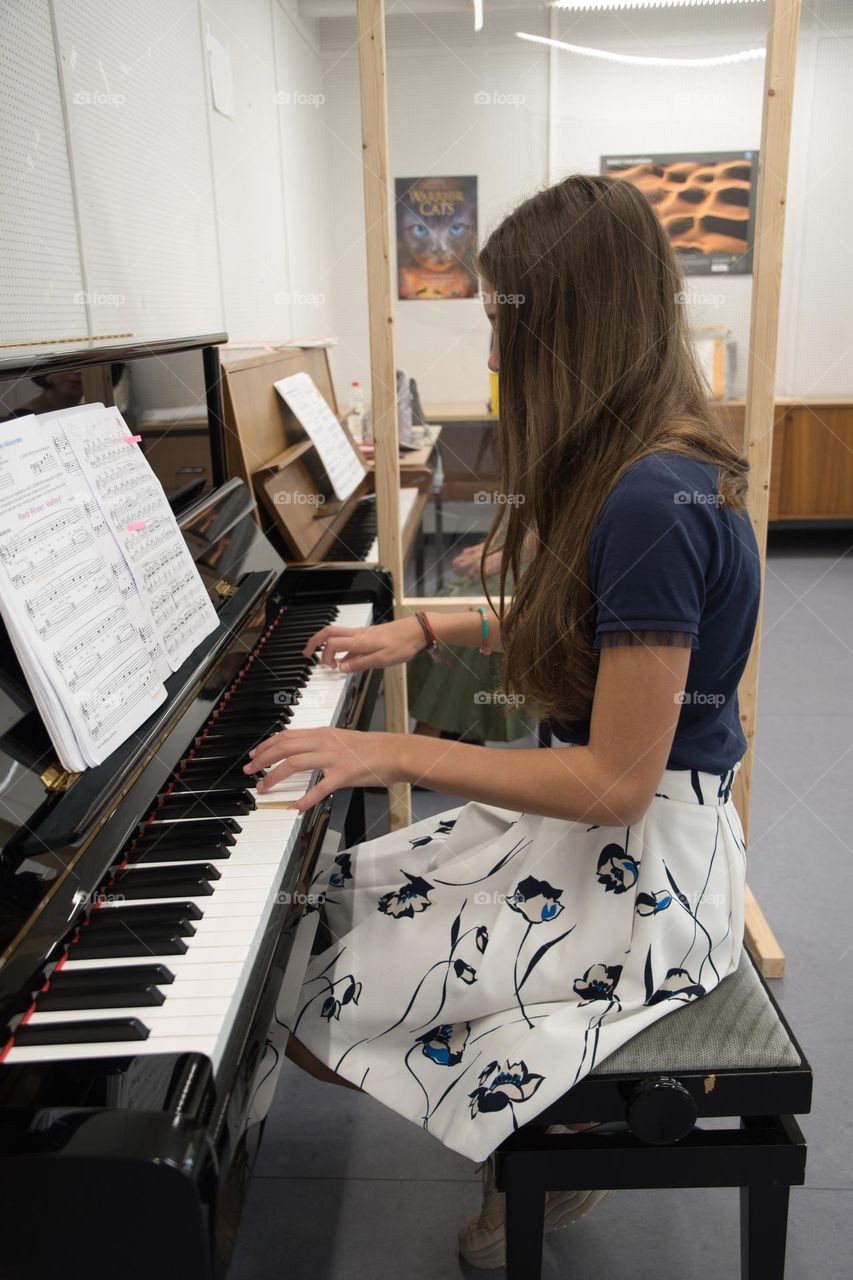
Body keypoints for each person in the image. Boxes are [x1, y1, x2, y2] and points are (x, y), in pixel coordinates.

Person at [244, 174, 760, 1267]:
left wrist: (387, 746)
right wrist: (429, 632)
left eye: (500, 325)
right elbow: (609, 633)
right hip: (640, 831)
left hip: (646, 867)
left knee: (304, 985)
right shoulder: (658, 463)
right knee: (338, 907)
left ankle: (549, 1121)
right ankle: (532, 1110)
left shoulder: (647, 499)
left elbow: (615, 778)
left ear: (566, 325)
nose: (494, 354)